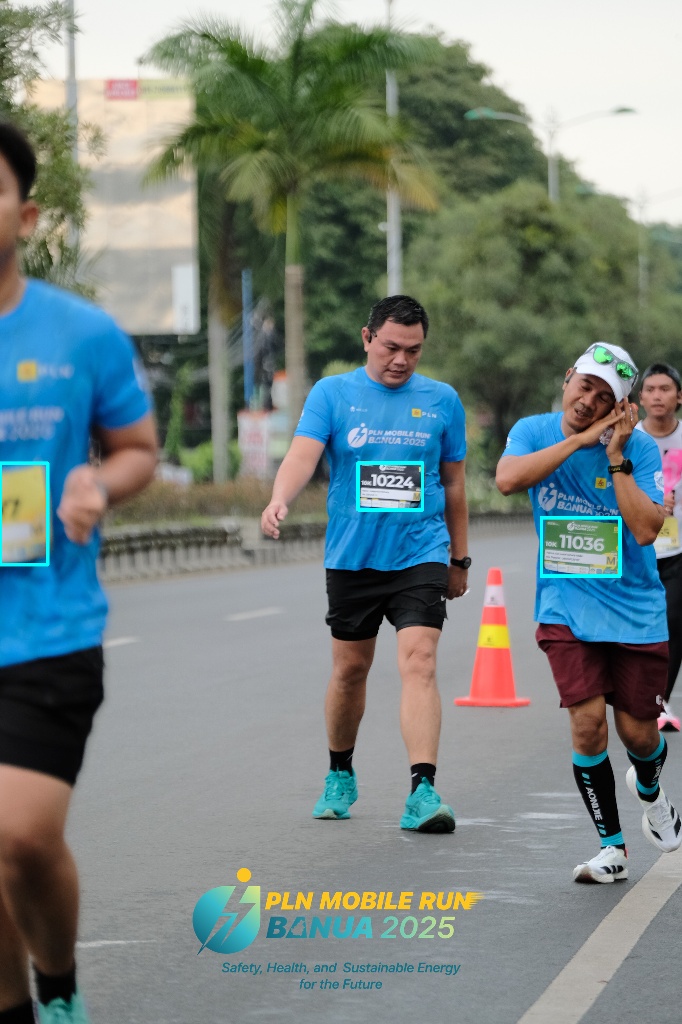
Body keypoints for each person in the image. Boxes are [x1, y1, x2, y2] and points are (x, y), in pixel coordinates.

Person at [0, 122, 157, 1023]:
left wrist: (99, 481)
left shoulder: (81, 333)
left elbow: (136, 447)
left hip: (46, 627)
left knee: (20, 837)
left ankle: (57, 983)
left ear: (25, 216)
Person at [261, 295, 469, 833]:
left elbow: (454, 483)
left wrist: (459, 557)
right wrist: (280, 497)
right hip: (353, 556)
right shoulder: (333, 394)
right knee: (350, 670)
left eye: (414, 351)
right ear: (367, 338)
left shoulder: (443, 401)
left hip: (420, 551)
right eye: (391, 347)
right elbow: (303, 453)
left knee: (420, 661)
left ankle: (423, 790)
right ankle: (340, 772)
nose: (401, 360)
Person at [496, 342, 681, 885]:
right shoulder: (532, 431)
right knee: (586, 724)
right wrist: (578, 440)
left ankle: (650, 790)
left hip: (636, 611)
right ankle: (611, 847)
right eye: (586, 386)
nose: (589, 401)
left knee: (639, 735)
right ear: (568, 377)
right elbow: (508, 480)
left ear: (619, 407)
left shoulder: (640, 448)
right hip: (565, 607)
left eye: (604, 398)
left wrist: (615, 455)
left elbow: (646, 530)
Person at [636, 362, 682, 731]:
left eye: (665, 389)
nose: (657, 396)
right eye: (650, 389)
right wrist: (649, 504)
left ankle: (658, 702)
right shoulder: (628, 439)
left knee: (673, 622)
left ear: (678, 397)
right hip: (637, 548)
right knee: (638, 624)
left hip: (678, 550)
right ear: (640, 398)